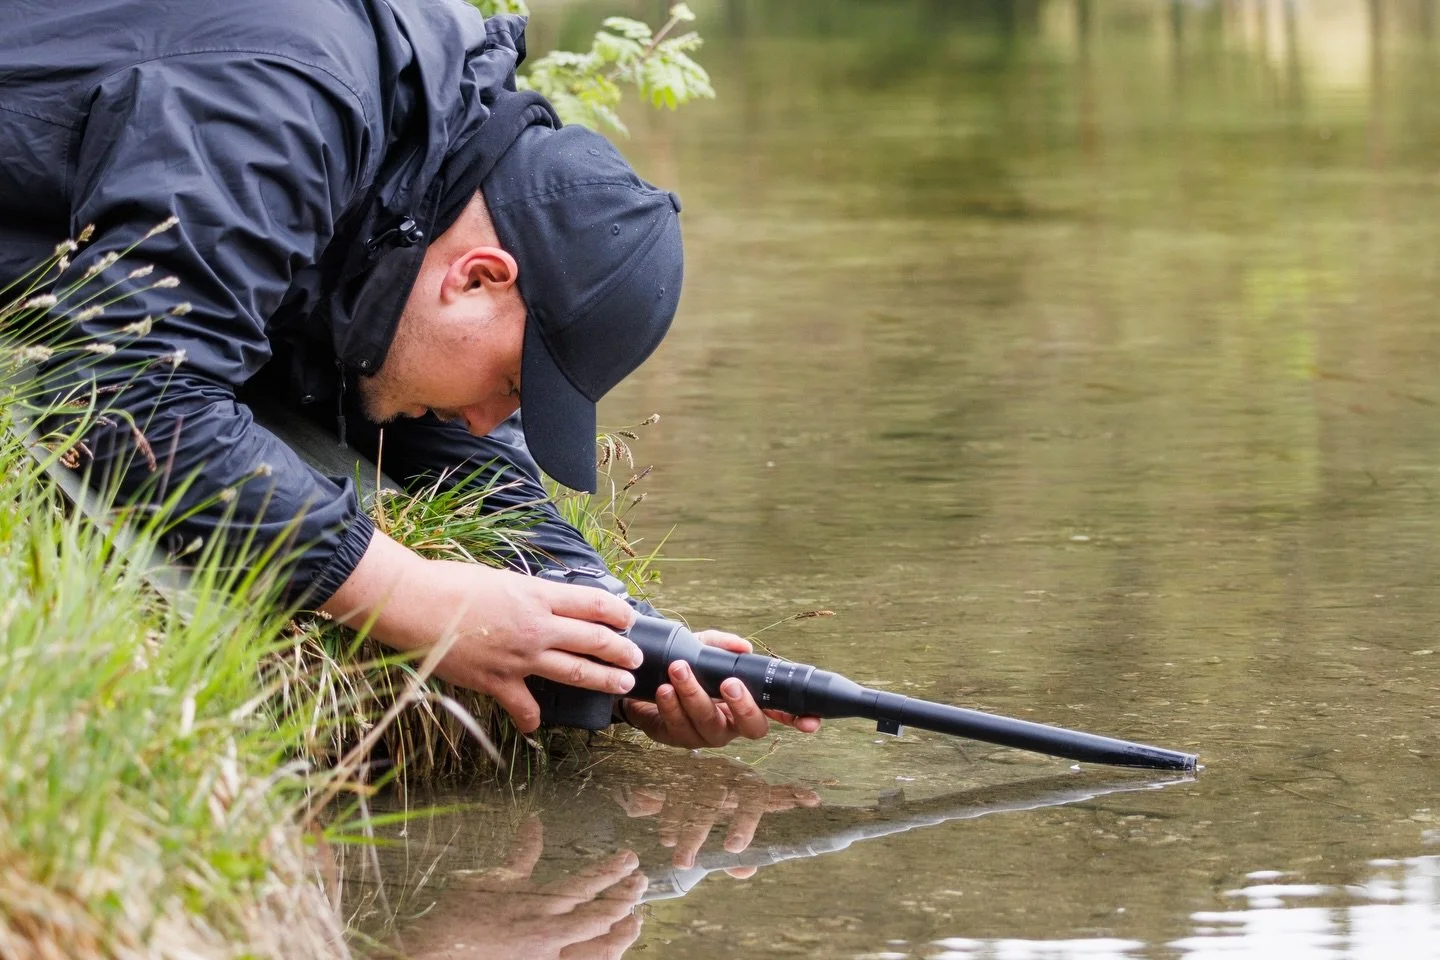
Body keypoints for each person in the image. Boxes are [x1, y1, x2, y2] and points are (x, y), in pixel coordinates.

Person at [0, 0, 820, 748]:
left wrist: (610, 627)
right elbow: (117, 388)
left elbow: (429, 429)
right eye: (511, 384)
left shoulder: (422, 160)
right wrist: (417, 597)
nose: (485, 420)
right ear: (478, 277)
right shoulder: (289, 105)